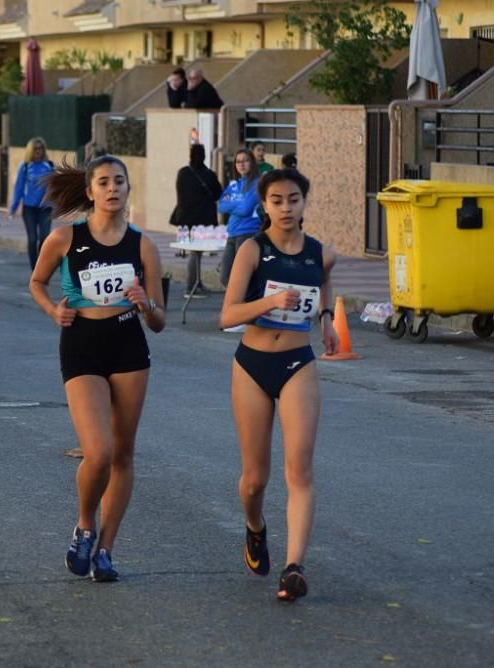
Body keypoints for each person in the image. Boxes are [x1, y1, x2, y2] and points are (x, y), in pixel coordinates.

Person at [29, 155, 166, 583]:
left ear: (128, 189)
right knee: (99, 452)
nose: (112, 189)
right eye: (103, 182)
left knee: (123, 453)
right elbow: (37, 282)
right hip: (83, 345)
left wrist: (145, 304)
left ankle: (106, 549)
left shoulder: (143, 245)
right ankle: (85, 525)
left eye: (119, 182)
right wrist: (53, 310)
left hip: (128, 343)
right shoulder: (65, 238)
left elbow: (159, 320)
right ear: (90, 191)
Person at [218, 168, 338, 603]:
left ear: (304, 203)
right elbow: (227, 315)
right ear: (263, 205)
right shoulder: (253, 250)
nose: (286, 208)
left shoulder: (321, 254)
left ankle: (294, 568)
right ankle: (254, 527)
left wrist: (326, 319)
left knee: (299, 469)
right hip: (252, 366)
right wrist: (268, 301)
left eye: (293, 200)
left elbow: (323, 280)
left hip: (297, 364)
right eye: (276, 201)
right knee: (255, 479)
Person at [172, 143, 222, 295]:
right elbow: (218, 194)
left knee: (194, 251)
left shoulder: (183, 173)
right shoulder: (209, 175)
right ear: (204, 156)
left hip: (184, 219)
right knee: (196, 252)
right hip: (203, 219)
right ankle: (192, 286)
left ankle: (196, 283)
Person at [10, 137, 55, 270]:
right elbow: (18, 187)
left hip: (45, 208)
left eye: (41, 148)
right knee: (32, 239)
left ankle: (41, 265)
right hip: (29, 208)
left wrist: (57, 204)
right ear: (30, 150)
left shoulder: (50, 166)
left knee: (45, 238)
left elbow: (55, 187)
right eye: (35, 148)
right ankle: (34, 268)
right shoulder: (25, 167)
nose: (38, 151)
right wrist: (14, 206)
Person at [218, 149, 261, 290]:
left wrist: (233, 205)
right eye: (238, 161)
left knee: (242, 276)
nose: (241, 164)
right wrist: (239, 202)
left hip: (248, 233)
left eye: (245, 161)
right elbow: (221, 206)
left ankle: (244, 306)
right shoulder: (234, 184)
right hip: (232, 233)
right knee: (225, 276)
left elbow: (246, 209)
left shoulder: (257, 184)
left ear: (252, 163)